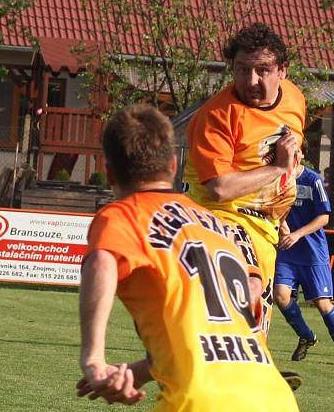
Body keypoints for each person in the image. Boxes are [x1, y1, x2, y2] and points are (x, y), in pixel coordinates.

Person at [77, 104, 299, 410]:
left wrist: (94, 360)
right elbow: (239, 310)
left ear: (109, 171)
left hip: (201, 401)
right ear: (172, 165)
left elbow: (102, 262)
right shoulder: (218, 226)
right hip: (274, 396)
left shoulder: (125, 215)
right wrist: (139, 372)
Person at [184, 22, 306, 337]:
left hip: (264, 232)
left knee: (252, 335)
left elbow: (285, 152)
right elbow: (220, 188)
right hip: (219, 220)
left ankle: (252, 382)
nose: (251, 80)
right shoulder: (217, 115)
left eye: (262, 70)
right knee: (248, 289)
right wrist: (279, 168)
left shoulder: (295, 101)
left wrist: (281, 207)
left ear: (283, 71)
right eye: (242, 70)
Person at [273, 162, 334, 366]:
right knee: (281, 296)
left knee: (322, 303)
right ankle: (307, 336)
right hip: (288, 251)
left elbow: (324, 217)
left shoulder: (313, 180)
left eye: (295, 151)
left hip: (312, 253)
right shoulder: (277, 177)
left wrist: (297, 234)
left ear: (301, 154)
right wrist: (281, 223)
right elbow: (273, 207)